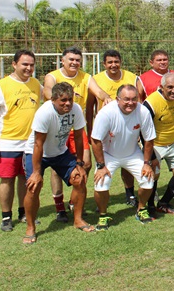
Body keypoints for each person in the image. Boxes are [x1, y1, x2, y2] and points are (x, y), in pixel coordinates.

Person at [43, 46, 111, 222]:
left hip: (76, 128)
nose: (74, 63)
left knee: (86, 163)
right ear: (63, 61)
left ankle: (75, 199)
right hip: (56, 128)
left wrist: (106, 97)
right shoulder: (52, 76)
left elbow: (98, 91)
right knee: (57, 169)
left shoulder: (86, 77)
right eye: (71, 59)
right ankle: (60, 208)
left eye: (77, 60)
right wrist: (62, 102)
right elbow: (47, 91)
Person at [23, 83, 94, 243]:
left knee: (79, 179)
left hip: (60, 152)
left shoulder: (75, 110)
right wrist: (36, 172)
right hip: (37, 153)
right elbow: (38, 144)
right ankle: (30, 227)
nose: (67, 103)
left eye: (69, 99)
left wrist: (79, 163)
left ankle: (78, 220)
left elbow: (78, 136)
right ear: (53, 99)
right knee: (34, 187)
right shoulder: (44, 113)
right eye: (63, 100)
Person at [0, 49, 42, 232]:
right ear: (14, 64)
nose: (28, 68)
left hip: (30, 142)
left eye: (31, 65)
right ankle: (6, 217)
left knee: (26, 179)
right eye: (24, 64)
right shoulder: (1, 85)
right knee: (7, 179)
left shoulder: (35, 84)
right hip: (8, 141)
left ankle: (24, 212)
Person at [91, 85, 157, 230]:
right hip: (108, 155)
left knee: (148, 180)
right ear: (117, 99)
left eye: (134, 99)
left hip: (133, 153)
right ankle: (103, 215)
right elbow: (95, 140)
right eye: (126, 99)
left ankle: (141, 209)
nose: (130, 103)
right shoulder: (106, 113)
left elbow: (149, 139)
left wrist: (146, 163)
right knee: (101, 184)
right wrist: (101, 166)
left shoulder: (142, 111)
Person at [87, 49, 143, 210]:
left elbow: (140, 101)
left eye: (116, 61)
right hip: (105, 130)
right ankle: (102, 197)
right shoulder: (96, 79)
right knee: (103, 163)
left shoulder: (131, 77)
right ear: (104, 64)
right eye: (110, 62)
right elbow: (90, 106)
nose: (113, 65)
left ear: (120, 62)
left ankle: (130, 193)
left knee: (128, 160)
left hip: (128, 127)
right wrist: (90, 129)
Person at [143, 73, 174, 214]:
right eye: (169, 87)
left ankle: (163, 202)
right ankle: (151, 205)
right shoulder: (151, 103)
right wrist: (151, 156)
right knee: (153, 175)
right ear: (161, 87)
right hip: (155, 144)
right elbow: (143, 131)